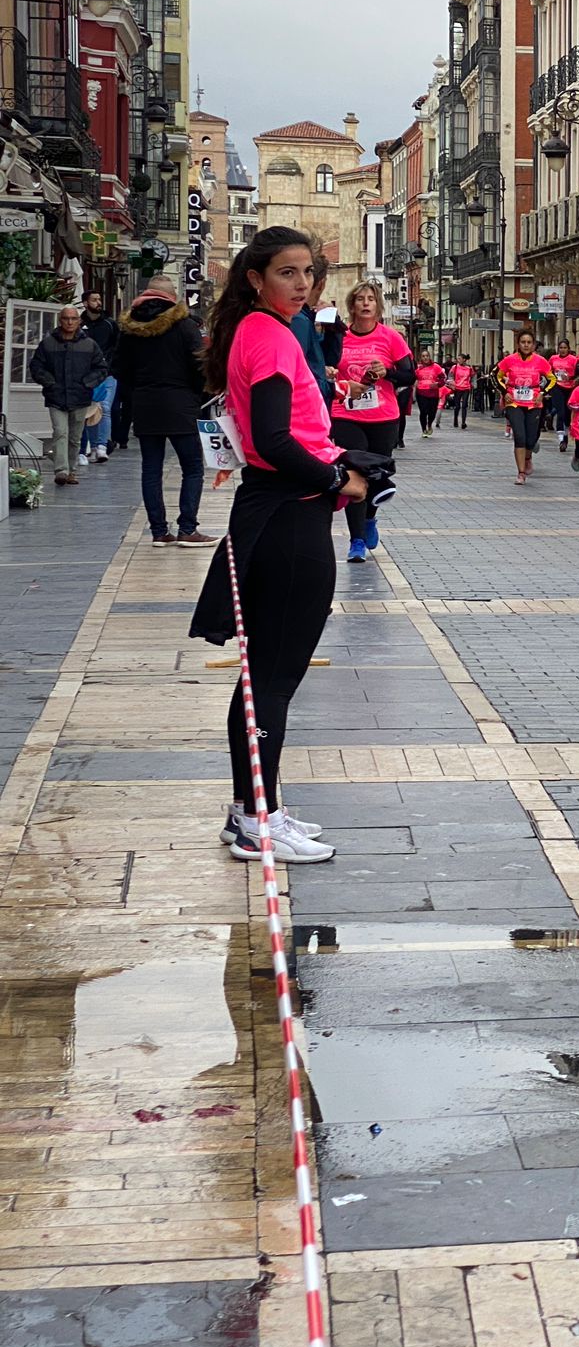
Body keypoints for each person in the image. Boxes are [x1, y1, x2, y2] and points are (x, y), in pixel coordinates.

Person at [189, 226, 369, 867]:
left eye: (308, 273)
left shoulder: (261, 331)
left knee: (263, 676)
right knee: (273, 679)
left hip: (275, 514)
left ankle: (252, 810)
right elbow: (271, 437)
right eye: (287, 273)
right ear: (255, 278)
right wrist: (336, 478)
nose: (302, 285)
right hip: (288, 520)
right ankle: (256, 820)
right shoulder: (267, 336)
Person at [114, 275, 213, 548]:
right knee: (192, 468)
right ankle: (187, 529)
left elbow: (119, 368)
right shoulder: (184, 326)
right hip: (180, 404)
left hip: (145, 405)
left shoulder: (130, 328)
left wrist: (138, 391)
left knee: (151, 469)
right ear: (172, 296)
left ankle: (159, 531)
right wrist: (196, 395)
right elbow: (199, 366)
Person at [329, 284, 413, 564]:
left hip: (383, 416)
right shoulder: (340, 338)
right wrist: (330, 372)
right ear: (352, 306)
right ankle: (356, 540)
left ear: (378, 306)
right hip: (345, 414)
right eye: (360, 300)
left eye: (371, 300)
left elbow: (409, 375)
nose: (366, 304)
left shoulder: (390, 338)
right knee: (354, 475)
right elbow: (322, 367)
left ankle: (369, 520)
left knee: (375, 474)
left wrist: (386, 371)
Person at [28, 306, 106, 486]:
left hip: (80, 397)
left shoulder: (89, 345)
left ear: (79, 321)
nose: (69, 322)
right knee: (60, 432)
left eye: (73, 318)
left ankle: (71, 470)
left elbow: (101, 368)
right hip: (56, 396)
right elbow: (36, 367)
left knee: (74, 437)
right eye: (66, 318)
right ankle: (61, 470)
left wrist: (87, 383)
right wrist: (50, 382)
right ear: (60, 320)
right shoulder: (48, 344)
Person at [497, 330, 552, 484]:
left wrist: (542, 392)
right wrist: (504, 392)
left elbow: (552, 379)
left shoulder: (541, 361)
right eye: (523, 342)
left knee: (531, 438)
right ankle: (521, 473)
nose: (526, 345)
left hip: (533, 403)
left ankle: (528, 457)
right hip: (514, 403)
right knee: (520, 436)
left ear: (533, 345)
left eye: (529, 342)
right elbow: (496, 377)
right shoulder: (509, 360)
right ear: (518, 344)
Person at [290, 256, 339, 405]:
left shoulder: (304, 318)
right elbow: (300, 374)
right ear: (322, 284)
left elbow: (329, 358)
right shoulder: (299, 320)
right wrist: (336, 388)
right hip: (307, 410)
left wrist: (333, 325)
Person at [82, 292, 126, 451]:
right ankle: (91, 445)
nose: (98, 302)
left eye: (99, 299)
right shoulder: (80, 324)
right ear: (85, 303)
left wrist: (112, 366)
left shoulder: (109, 324)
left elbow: (119, 346)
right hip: (85, 374)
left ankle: (102, 445)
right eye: (94, 300)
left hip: (107, 374)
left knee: (105, 407)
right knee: (89, 409)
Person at [548, 340, 579, 450]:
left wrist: (571, 378)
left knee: (567, 414)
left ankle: (565, 437)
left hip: (570, 388)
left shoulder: (574, 360)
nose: (562, 350)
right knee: (560, 412)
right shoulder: (553, 359)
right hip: (557, 387)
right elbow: (548, 371)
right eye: (561, 347)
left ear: (568, 348)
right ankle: (561, 438)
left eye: (565, 347)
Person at [413, 352, 445, 438]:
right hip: (421, 392)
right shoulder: (418, 368)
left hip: (433, 393)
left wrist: (437, 384)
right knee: (423, 411)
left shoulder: (436, 367)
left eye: (427, 356)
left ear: (429, 357)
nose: (425, 358)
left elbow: (443, 379)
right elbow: (412, 378)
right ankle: (424, 429)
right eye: (423, 356)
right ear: (421, 358)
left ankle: (429, 424)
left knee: (432, 412)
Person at [447, 354, 476, 429]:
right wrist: (452, 383)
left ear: (464, 359)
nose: (458, 360)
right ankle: (455, 420)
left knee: (464, 405)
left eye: (459, 359)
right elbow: (450, 376)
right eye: (457, 359)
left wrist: (473, 384)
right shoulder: (455, 367)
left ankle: (463, 422)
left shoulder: (469, 368)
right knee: (457, 406)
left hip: (466, 388)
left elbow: (473, 376)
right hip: (457, 388)